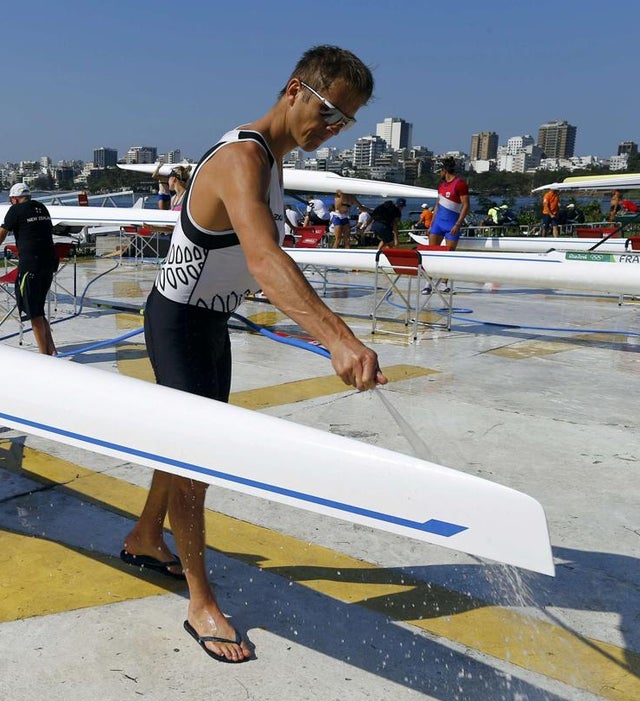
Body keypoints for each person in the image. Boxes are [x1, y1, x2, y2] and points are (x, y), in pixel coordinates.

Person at [125, 45, 385, 664]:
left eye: (345, 122)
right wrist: (338, 338)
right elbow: (266, 262)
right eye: (328, 112)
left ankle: (143, 535)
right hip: (178, 321)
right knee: (194, 461)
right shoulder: (242, 157)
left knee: (186, 448)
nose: (332, 129)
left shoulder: (275, 162)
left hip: (210, 325)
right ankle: (199, 601)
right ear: (294, 89)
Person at [0, 182, 59, 356]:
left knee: (33, 312)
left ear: (14, 198)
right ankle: (52, 350)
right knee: (38, 308)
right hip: (49, 262)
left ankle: (44, 357)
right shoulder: (41, 208)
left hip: (31, 266)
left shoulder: (15, 210)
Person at [427, 157, 469, 249]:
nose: (439, 174)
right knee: (432, 253)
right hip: (437, 224)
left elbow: (466, 205)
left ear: (444, 171)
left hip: (451, 225)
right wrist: (431, 224)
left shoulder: (460, 184)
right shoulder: (441, 185)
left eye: (439, 172)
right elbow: (437, 205)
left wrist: (458, 224)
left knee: (448, 255)